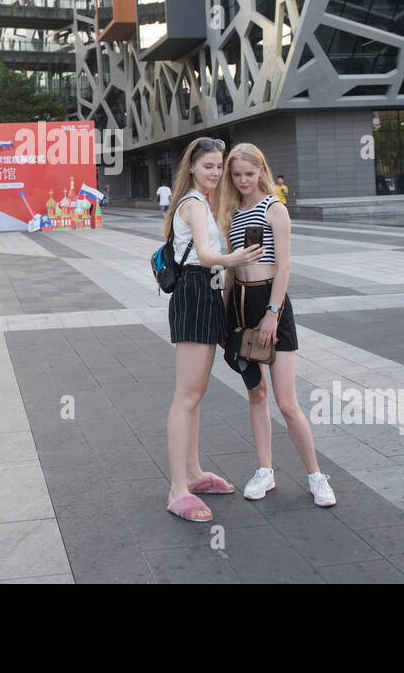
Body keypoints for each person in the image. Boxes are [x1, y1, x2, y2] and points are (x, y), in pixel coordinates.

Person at [218, 143, 336, 508]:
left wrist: (272, 312)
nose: (242, 181)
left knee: (287, 402)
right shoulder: (232, 213)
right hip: (241, 304)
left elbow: (283, 267)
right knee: (256, 394)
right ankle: (265, 470)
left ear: (261, 171)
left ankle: (316, 475)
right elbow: (231, 270)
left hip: (272, 302)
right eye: (236, 175)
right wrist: (224, 319)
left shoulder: (274, 208)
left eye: (248, 174)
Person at [163, 138, 264, 521]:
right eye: (209, 166)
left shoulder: (201, 202)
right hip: (194, 288)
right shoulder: (191, 204)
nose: (217, 173)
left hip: (205, 292)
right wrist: (233, 258)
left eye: (219, 166)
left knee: (197, 392)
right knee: (186, 395)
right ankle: (177, 489)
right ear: (192, 167)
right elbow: (205, 256)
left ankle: (192, 473)